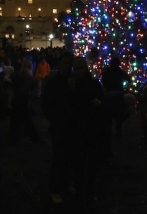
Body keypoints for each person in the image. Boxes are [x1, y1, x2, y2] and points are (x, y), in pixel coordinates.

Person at [71, 56, 105, 201]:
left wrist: (98, 103)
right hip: (78, 127)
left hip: (91, 127)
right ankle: (79, 188)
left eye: (82, 68)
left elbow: (102, 101)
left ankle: (89, 190)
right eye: (77, 68)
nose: (80, 71)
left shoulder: (93, 84)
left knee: (91, 161)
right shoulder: (72, 84)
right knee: (79, 160)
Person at [42, 51, 74, 205]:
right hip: (59, 125)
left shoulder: (73, 81)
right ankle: (55, 189)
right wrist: (54, 119)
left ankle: (66, 184)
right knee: (58, 158)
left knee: (69, 157)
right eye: (65, 63)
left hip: (72, 125)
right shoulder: (53, 82)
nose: (67, 66)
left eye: (69, 63)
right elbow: (46, 104)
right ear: (60, 64)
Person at [10, 58, 42, 145]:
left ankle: (15, 138)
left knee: (16, 121)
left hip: (16, 101)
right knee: (27, 121)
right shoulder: (29, 77)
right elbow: (30, 89)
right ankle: (34, 138)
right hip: (24, 101)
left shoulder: (17, 75)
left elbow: (10, 81)